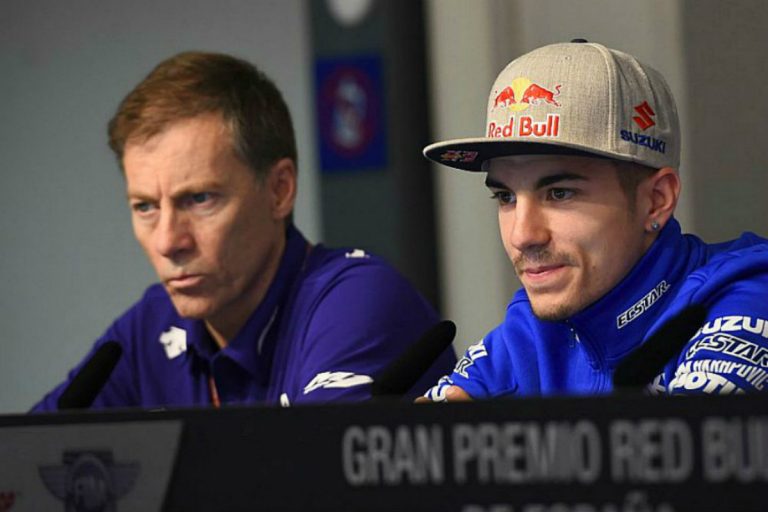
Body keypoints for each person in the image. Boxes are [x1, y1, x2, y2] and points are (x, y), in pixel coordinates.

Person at [33, 51, 455, 411]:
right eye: (145, 207)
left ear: (279, 190)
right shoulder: (151, 325)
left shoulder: (357, 300)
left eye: (199, 199)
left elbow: (315, 473)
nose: (168, 242)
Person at [420, 40, 768, 401]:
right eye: (506, 197)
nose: (523, 235)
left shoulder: (746, 293)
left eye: (559, 193)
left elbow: (689, 437)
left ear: (656, 201)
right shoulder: (530, 333)